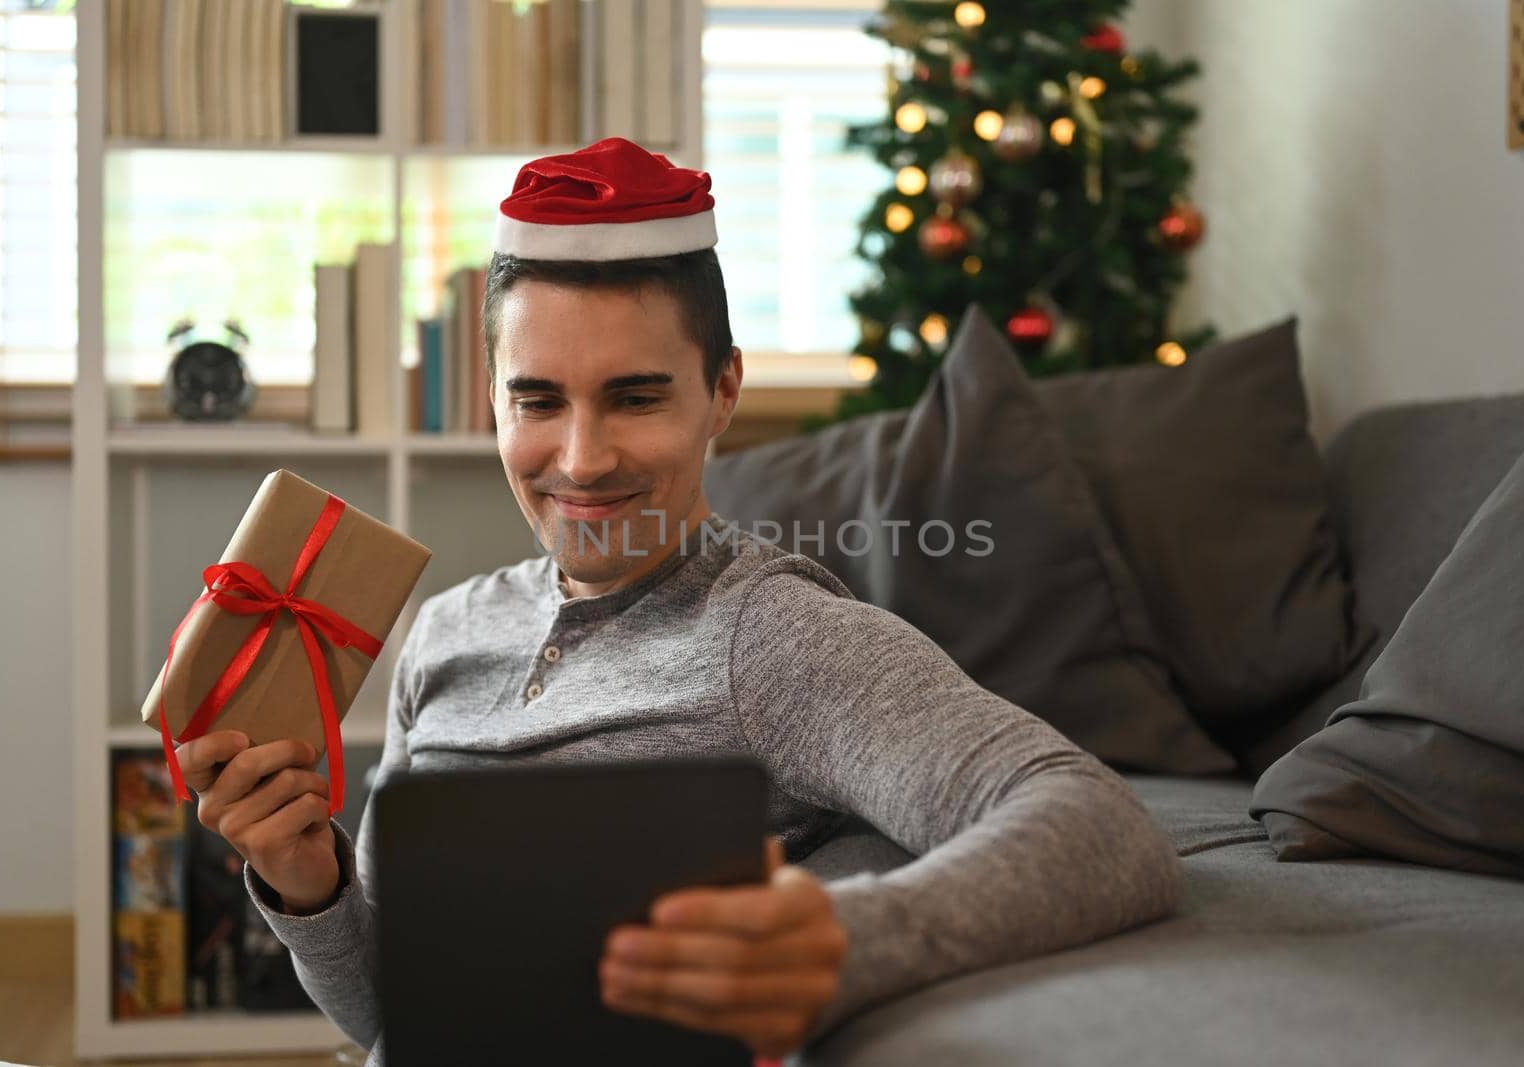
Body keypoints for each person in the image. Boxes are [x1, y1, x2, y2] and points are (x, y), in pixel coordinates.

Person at [176, 137, 1183, 1065]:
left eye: (636, 395)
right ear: (492, 397)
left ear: (723, 391)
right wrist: (305, 880)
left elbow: (1099, 826)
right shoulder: (446, 629)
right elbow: (389, 1018)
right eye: (537, 399)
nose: (580, 457)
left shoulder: (772, 636)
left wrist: (848, 935)